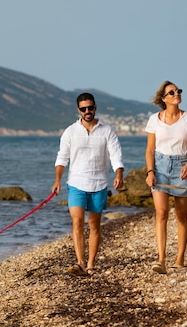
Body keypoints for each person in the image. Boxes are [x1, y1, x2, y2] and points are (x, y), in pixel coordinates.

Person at [52, 92, 124, 276]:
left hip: (99, 184)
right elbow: (62, 157)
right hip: (76, 182)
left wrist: (119, 174)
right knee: (77, 221)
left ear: (95, 107)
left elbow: (115, 154)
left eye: (90, 107)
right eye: (83, 109)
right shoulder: (70, 131)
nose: (87, 111)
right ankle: (80, 262)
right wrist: (58, 180)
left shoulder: (107, 130)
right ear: (78, 110)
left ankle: (91, 264)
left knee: (94, 225)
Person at [145, 81, 187, 274]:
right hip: (159, 166)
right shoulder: (154, 119)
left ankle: (180, 259)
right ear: (164, 98)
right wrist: (150, 171)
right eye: (172, 92)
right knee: (161, 213)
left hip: (181, 165)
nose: (177, 94)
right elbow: (150, 149)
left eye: (178, 91)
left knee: (181, 216)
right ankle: (161, 260)